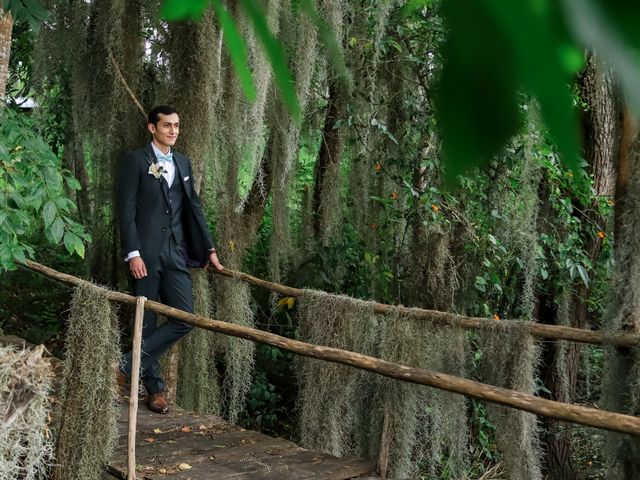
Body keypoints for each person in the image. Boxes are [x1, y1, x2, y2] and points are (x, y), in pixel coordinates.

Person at [116, 105, 223, 414]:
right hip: (145, 255)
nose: (173, 131)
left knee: (184, 317)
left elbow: (194, 208)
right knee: (145, 321)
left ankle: (125, 364)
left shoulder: (183, 162)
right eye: (166, 126)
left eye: (176, 125)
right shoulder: (136, 160)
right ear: (152, 128)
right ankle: (156, 390)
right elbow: (126, 210)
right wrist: (133, 253)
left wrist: (210, 249)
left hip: (176, 253)